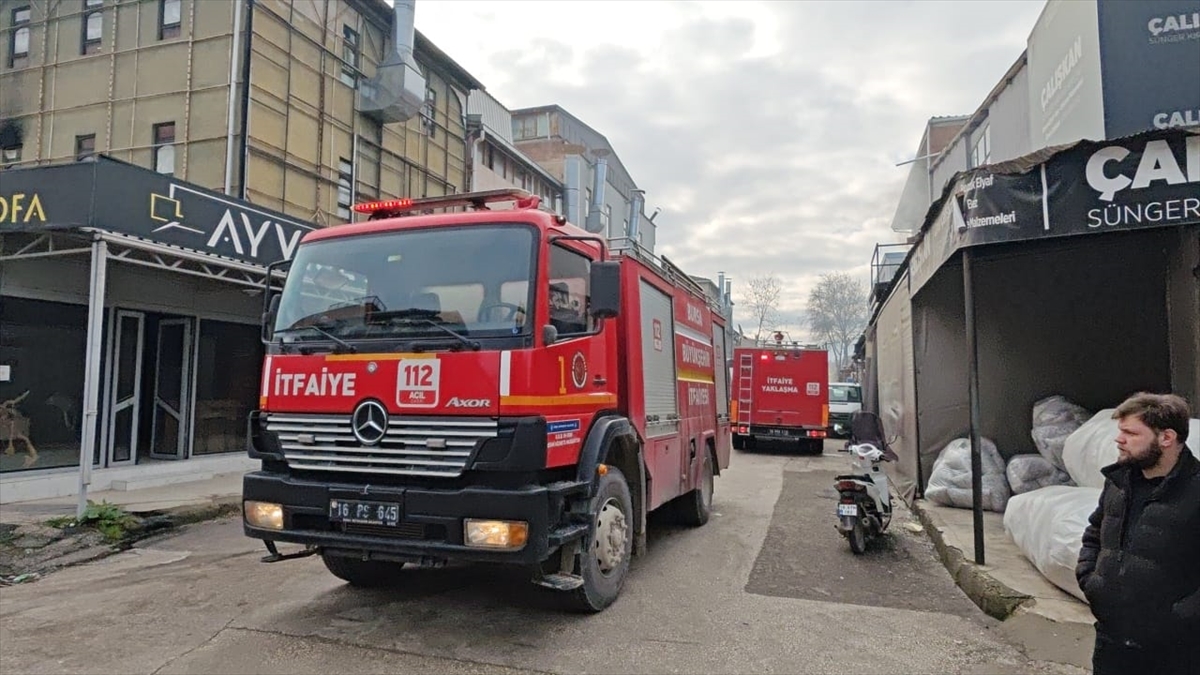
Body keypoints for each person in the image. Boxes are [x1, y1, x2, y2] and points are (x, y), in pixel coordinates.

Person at [1075, 392, 1200, 675]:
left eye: (1131, 433)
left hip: (1176, 652)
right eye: (1120, 432)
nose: (1119, 440)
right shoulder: (1119, 483)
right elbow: (1095, 531)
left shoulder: (1196, 492)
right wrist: (1091, 581)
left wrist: (1180, 619)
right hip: (1112, 642)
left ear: (1166, 438)